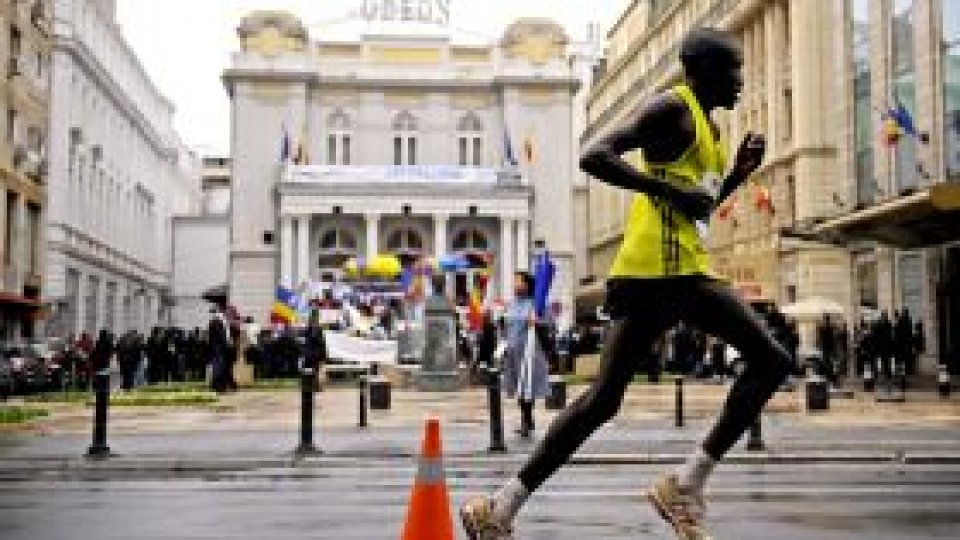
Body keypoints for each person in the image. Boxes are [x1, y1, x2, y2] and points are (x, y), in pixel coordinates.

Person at [460, 27, 790, 540]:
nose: (741, 82)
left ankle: (500, 508)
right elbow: (594, 155)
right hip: (659, 271)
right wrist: (662, 189)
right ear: (702, 72)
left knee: (603, 400)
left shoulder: (709, 129)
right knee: (770, 360)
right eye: (732, 70)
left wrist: (739, 174)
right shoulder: (672, 111)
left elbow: (695, 206)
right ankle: (684, 485)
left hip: (674, 267)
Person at [501, 271, 551, 440]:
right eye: (515, 281)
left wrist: (537, 321)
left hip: (529, 352)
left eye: (518, 281)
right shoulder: (512, 304)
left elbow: (549, 322)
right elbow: (506, 327)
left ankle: (527, 420)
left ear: (527, 285)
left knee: (526, 387)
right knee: (518, 388)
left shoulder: (535, 304)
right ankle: (527, 420)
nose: (515, 285)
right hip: (513, 353)